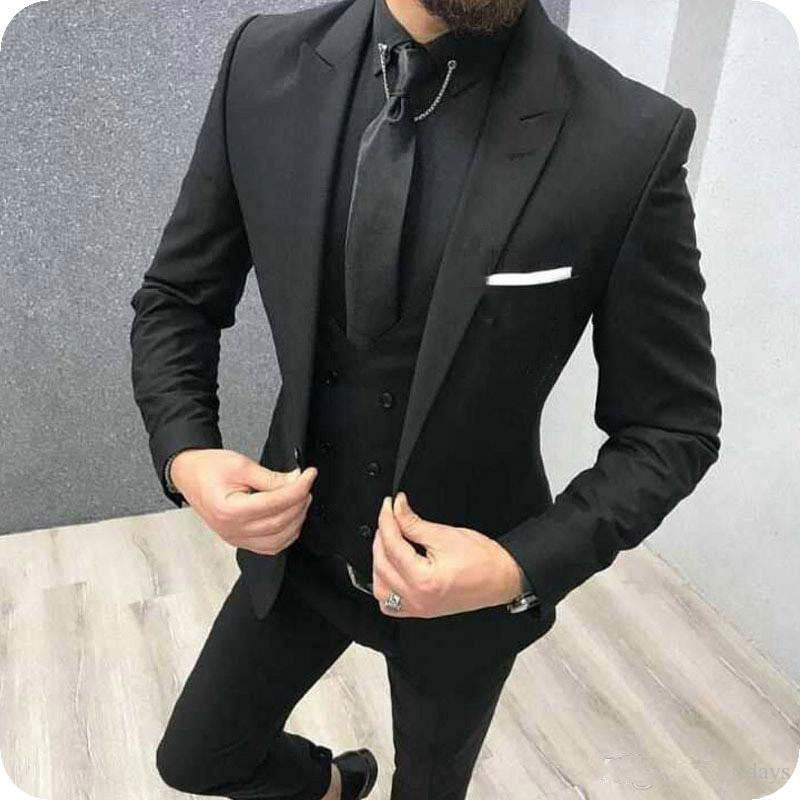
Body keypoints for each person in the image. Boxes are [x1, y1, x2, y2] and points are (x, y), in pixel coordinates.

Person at [128, 0, 722, 796]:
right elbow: (177, 298)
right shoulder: (263, 65)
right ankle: (335, 786)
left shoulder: (628, 136)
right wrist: (187, 454)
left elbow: (674, 428)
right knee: (197, 758)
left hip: (469, 589)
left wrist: (516, 566)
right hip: (298, 552)